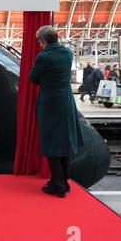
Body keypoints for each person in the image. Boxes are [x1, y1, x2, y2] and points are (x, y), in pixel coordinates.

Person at [29, 25, 84, 198]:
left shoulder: (43, 57)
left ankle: (57, 184)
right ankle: (64, 181)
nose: (39, 44)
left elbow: (33, 78)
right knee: (64, 141)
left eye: (39, 41)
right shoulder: (68, 54)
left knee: (52, 142)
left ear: (44, 41)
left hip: (50, 103)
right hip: (66, 101)